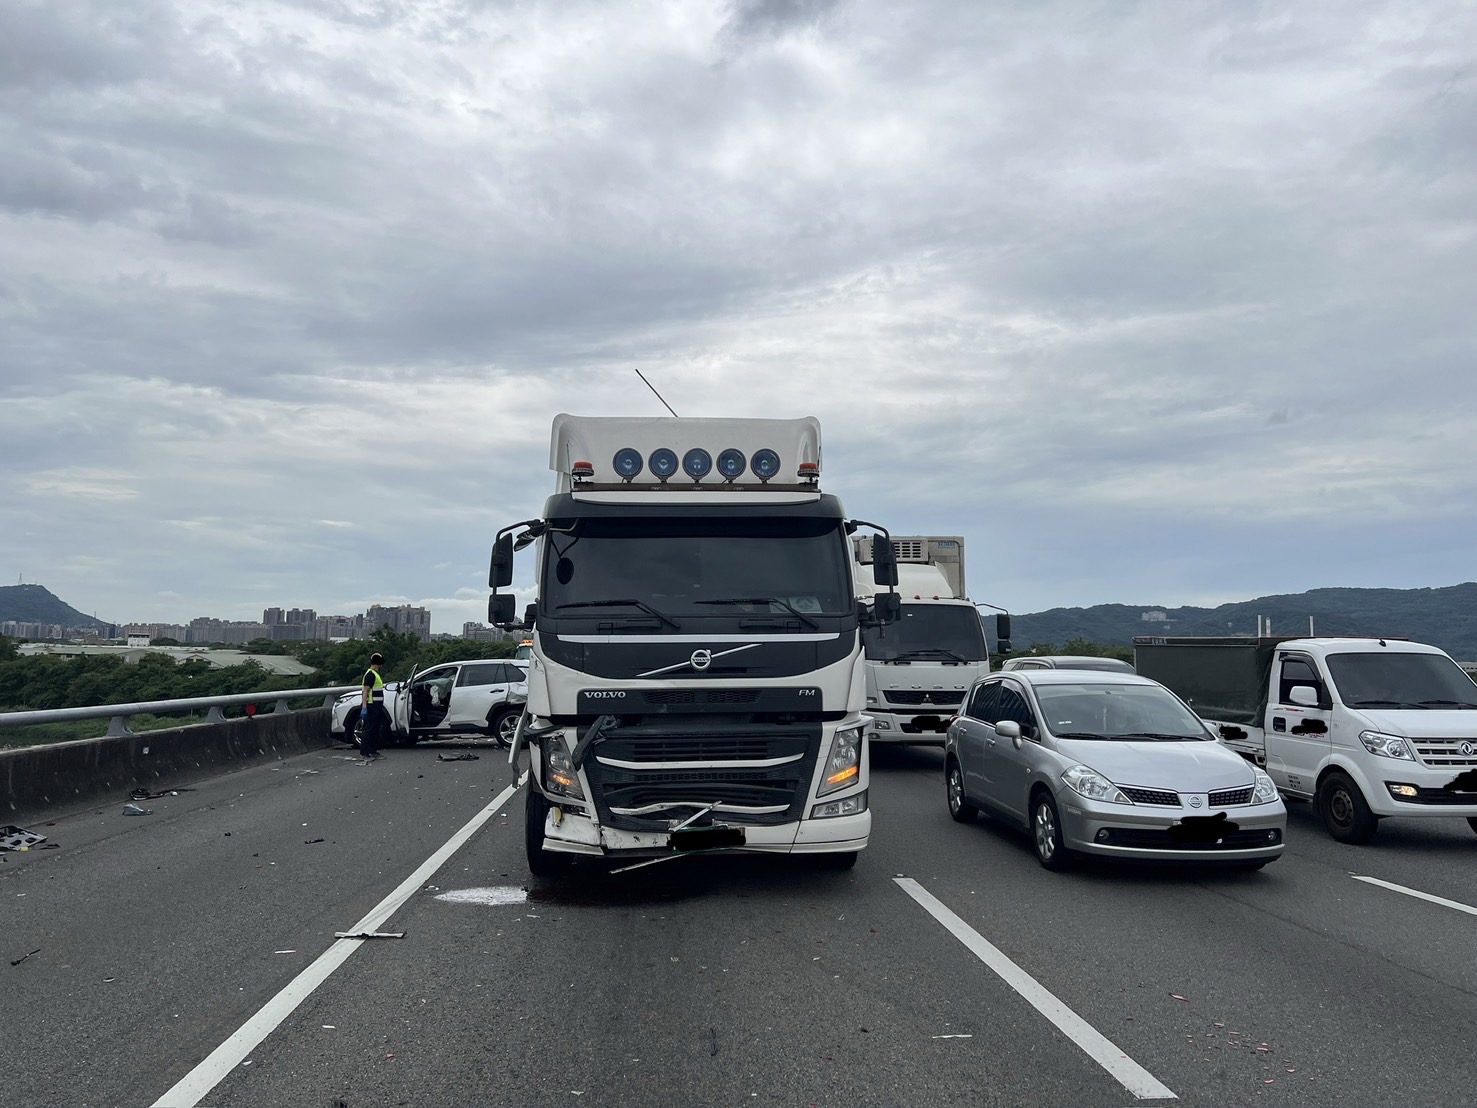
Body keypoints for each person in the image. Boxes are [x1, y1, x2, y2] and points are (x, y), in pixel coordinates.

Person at [359, 652, 389, 759]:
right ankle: (365, 752)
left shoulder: (374, 675)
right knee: (369, 729)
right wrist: (364, 707)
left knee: (374, 729)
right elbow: (366, 691)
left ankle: (372, 750)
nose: (381, 667)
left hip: (376, 706)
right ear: (377, 664)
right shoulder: (370, 675)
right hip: (371, 705)